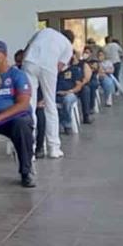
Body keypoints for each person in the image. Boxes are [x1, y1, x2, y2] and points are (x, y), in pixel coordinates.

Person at [0, 41, 35, 187]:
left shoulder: (17, 75)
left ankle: (26, 172)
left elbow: (23, 104)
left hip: (10, 120)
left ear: (4, 55)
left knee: (22, 125)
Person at [21, 27, 74, 158]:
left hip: (29, 62)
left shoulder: (45, 31)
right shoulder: (68, 46)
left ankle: (30, 150)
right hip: (48, 67)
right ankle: (53, 148)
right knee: (50, 106)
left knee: (29, 106)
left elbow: (27, 47)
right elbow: (59, 67)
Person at [56, 52, 86, 134]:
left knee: (67, 100)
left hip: (70, 93)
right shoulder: (54, 71)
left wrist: (68, 92)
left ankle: (67, 124)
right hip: (55, 94)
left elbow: (78, 86)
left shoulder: (74, 70)